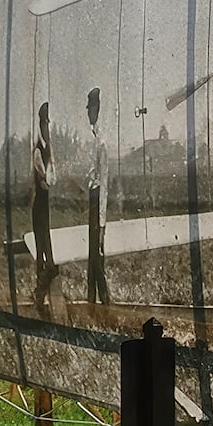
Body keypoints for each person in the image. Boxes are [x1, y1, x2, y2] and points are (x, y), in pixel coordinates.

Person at [86, 86, 111, 305]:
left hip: (97, 201)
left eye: (92, 108)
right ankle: (92, 300)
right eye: (88, 108)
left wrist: (102, 222)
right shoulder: (93, 138)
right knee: (92, 253)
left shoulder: (101, 141)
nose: (89, 112)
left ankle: (104, 301)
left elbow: (104, 184)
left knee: (97, 254)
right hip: (91, 200)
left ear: (98, 109)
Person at [30, 101, 56, 314]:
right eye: (45, 124)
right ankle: (40, 296)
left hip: (45, 205)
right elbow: (46, 179)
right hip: (39, 206)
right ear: (41, 125)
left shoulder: (47, 149)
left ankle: (43, 293)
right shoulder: (38, 151)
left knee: (48, 250)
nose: (47, 127)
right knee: (42, 251)